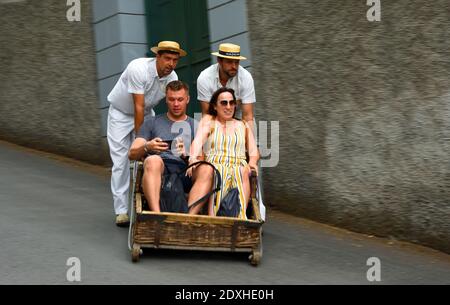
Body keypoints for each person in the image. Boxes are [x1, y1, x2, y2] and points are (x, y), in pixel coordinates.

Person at [107, 41, 186, 226]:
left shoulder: (172, 76)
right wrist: (139, 144)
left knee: (154, 158)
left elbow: (172, 104)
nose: (171, 64)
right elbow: (138, 107)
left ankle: (150, 203)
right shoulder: (138, 68)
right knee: (121, 161)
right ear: (157, 57)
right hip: (121, 114)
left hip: (147, 113)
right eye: (167, 58)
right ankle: (121, 211)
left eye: (175, 60)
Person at [128, 81, 213, 215]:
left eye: (180, 99)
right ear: (166, 100)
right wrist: (147, 146)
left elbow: (203, 158)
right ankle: (157, 216)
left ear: (187, 99)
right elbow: (131, 154)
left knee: (207, 169)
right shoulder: (152, 122)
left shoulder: (196, 125)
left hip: (185, 171)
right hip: (160, 170)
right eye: (172, 99)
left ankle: (188, 218)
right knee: (153, 160)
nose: (176, 104)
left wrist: (187, 154)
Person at [188, 87, 259, 219]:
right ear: (215, 106)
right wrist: (192, 157)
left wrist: (253, 162)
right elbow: (197, 141)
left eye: (232, 103)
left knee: (242, 171)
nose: (228, 107)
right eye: (224, 103)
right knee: (218, 170)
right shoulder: (209, 121)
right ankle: (212, 217)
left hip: (238, 166)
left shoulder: (243, 125)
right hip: (215, 164)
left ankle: (240, 218)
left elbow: (254, 151)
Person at [196, 43, 256, 125]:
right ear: (219, 61)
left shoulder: (246, 77)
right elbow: (208, 115)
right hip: (215, 121)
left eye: (236, 62)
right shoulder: (205, 77)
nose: (234, 66)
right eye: (229, 62)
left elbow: (247, 116)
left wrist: (247, 137)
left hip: (239, 120)